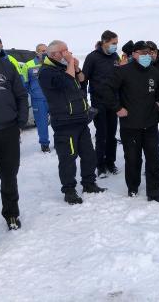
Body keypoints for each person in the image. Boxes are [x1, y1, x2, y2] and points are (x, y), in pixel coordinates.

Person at [39, 40, 106, 205]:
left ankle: (89, 183)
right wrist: (69, 63)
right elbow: (66, 82)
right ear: (55, 54)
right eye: (65, 51)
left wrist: (76, 67)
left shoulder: (65, 68)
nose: (69, 53)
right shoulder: (46, 72)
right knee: (68, 158)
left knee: (88, 154)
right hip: (65, 123)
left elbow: (82, 81)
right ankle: (69, 190)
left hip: (80, 120)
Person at [102, 41, 159, 202]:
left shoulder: (154, 71)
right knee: (132, 158)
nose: (147, 56)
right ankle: (133, 187)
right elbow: (107, 91)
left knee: (154, 158)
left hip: (150, 123)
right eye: (143, 53)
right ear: (135, 54)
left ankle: (155, 190)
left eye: (149, 53)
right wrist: (117, 108)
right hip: (130, 125)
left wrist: (158, 102)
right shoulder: (123, 71)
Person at [0, 26, 28, 259]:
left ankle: (11, 213)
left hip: (8, 132)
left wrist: (20, 123)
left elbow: (21, 96)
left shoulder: (6, 66)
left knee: (9, 176)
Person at [82, 30, 121, 178]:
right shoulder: (92, 57)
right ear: (104, 42)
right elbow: (84, 80)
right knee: (101, 134)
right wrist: (84, 100)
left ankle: (111, 162)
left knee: (112, 134)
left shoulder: (115, 57)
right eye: (113, 43)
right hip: (99, 102)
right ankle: (100, 165)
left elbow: (119, 77)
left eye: (116, 43)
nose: (115, 46)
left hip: (113, 102)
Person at [22, 43, 51, 153]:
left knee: (58, 120)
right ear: (36, 52)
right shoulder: (28, 65)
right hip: (38, 99)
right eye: (42, 50)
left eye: (46, 50)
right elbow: (25, 83)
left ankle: (60, 141)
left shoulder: (50, 63)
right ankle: (44, 144)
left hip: (52, 98)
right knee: (41, 123)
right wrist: (33, 92)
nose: (44, 52)